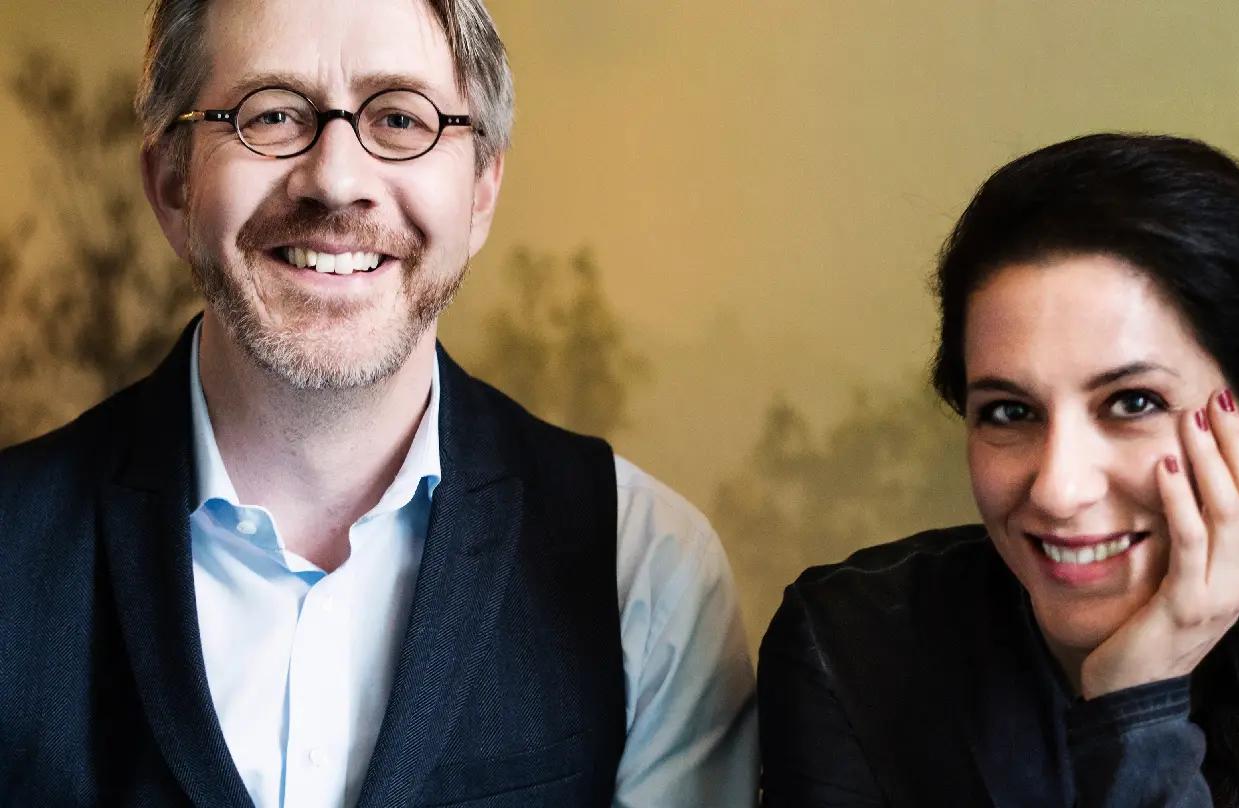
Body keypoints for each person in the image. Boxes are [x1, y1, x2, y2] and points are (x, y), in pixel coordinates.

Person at [0, 1, 757, 805]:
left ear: (481, 189)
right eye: (271, 114)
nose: (336, 180)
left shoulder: (645, 570)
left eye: (400, 118)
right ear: (172, 187)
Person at [757, 133, 1239, 807]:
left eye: (1133, 402)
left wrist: (1138, 707)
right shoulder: (855, 649)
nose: (1059, 491)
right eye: (1010, 412)